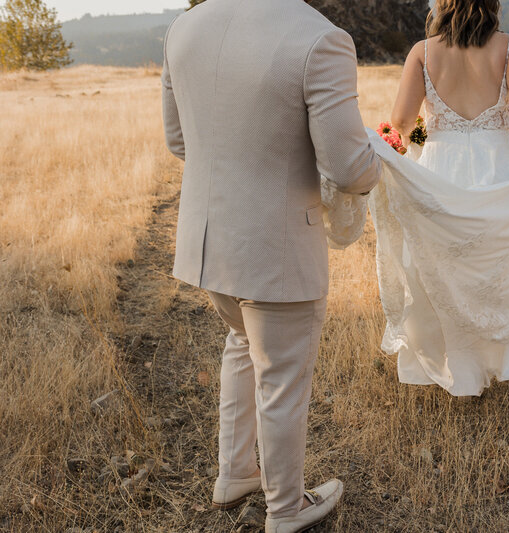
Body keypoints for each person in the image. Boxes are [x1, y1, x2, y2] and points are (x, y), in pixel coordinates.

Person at [160, 0, 381, 531]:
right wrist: (386, 153)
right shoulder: (319, 38)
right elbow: (351, 168)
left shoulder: (183, 27)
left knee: (242, 343)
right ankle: (284, 510)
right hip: (275, 248)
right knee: (281, 377)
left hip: (210, 246)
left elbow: (177, 140)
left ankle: (234, 474)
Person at [366, 0, 509, 396]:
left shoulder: (423, 52)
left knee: (442, 263)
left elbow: (401, 120)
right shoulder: (508, 46)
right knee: (496, 265)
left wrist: (423, 141)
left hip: (441, 167)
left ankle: (456, 363)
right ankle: (494, 358)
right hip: (496, 164)